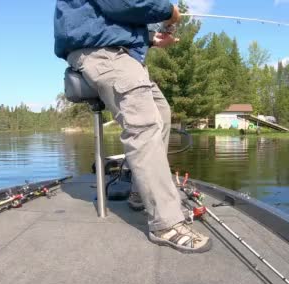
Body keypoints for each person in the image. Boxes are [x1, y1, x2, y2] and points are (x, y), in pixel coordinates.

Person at [54, 0, 212, 253]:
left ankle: (141, 192)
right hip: (102, 52)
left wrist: (150, 39)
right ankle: (166, 223)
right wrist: (168, 12)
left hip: (119, 51)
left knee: (162, 113)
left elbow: (105, 18)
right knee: (144, 127)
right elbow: (126, 3)